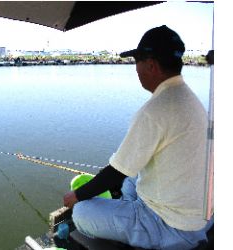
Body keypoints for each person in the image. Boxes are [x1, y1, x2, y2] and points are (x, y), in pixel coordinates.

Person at [62, 25, 212, 249]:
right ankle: (125, 210)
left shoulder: (155, 110)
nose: (136, 70)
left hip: (171, 228)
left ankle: (129, 223)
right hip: (196, 216)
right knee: (133, 178)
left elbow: (115, 173)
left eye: (137, 62)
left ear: (151, 65)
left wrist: (75, 196)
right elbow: (125, 170)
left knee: (82, 212)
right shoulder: (191, 100)